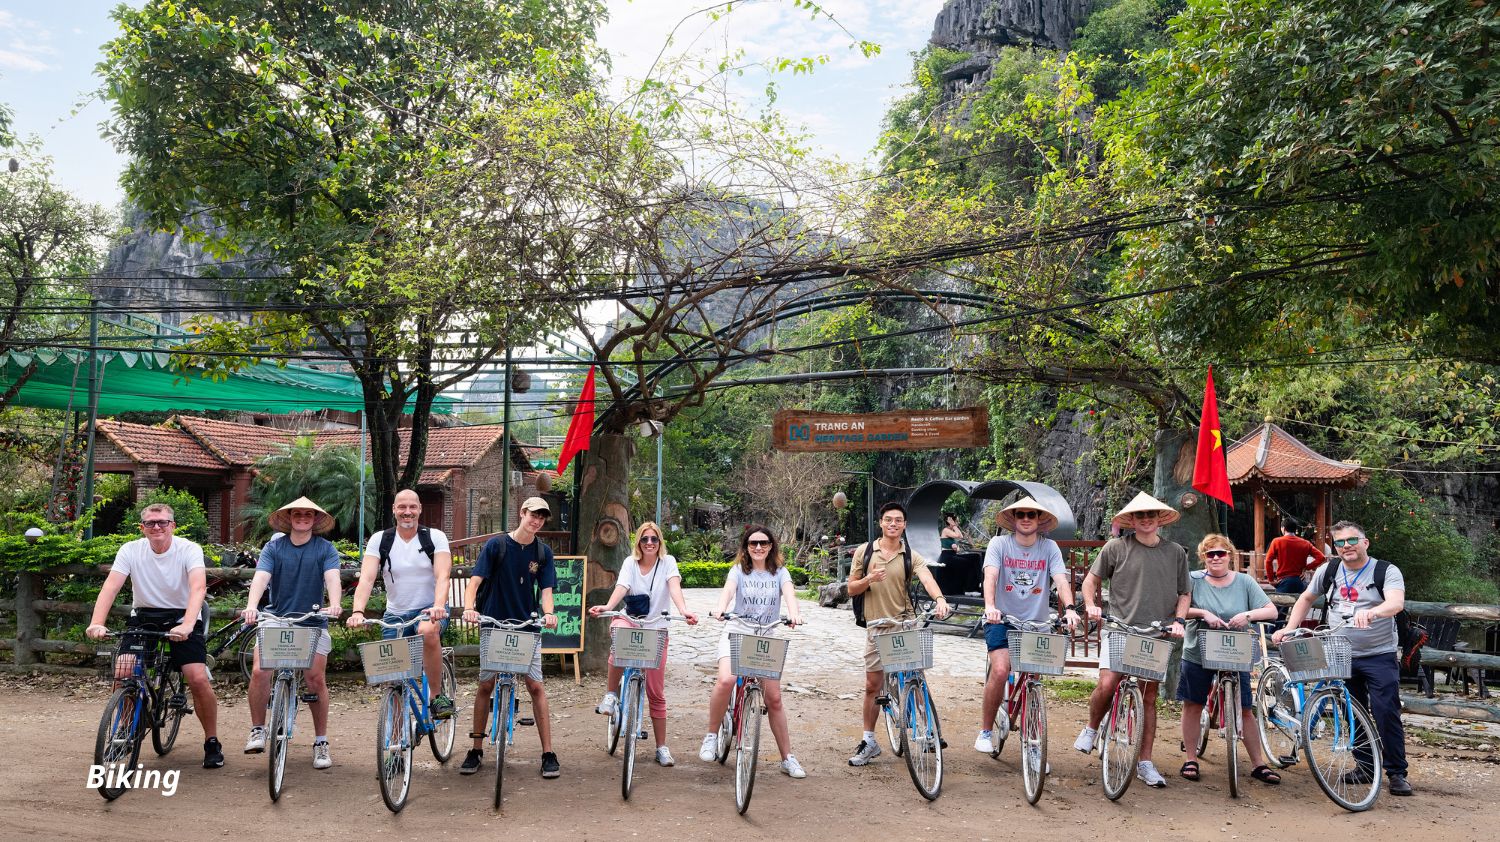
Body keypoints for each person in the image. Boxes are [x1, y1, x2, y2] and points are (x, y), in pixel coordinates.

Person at [1273, 520, 1412, 796]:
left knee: (1386, 711)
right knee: (1351, 710)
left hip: (1378, 653)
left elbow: (1396, 602)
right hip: (1340, 652)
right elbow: (1306, 598)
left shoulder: (1386, 571)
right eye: (1339, 542)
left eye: (1351, 540)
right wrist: (1289, 628)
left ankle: (1397, 772)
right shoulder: (1329, 570)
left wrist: (1373, 612)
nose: (1346, 546)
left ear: (1365, 542)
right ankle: (1365, 766)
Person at [86, 503, 223, 769]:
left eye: (162, 522)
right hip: (144, 616)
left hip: (182, 616)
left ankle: (211, 741)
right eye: (150, 523)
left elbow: (198, 588)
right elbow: (110, 587)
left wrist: (187, 624)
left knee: (196, 677)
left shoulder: (189, 549)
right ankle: (125, 729)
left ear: (173, 526)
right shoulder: (130, 550)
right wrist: (97, 622)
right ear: (142, 527)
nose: (157, 527)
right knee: (124, 669)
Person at [1074, 492, 1189, 789]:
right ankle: (1092, 727)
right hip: (1120, 627)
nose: (1146, 519)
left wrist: (1178, 620)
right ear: (1132, 520)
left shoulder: (1176, 552)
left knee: (1148, 697)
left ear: (1160, 518)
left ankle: (1145, 762)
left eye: (1151, 514)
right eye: (1140, 515)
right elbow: (1091, 580)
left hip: (1156, 632)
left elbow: (1185, 592)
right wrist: (1091, 605)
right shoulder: (1116, 547)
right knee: (1108, 683)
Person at [459, 496, 562, 779]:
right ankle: (476, 748)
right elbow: (475, 582)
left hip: (527, 624)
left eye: (541, 517)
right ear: (522, 513)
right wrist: (469, 608)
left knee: (536, 686)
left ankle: (548, 753)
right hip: (493, 622)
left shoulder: (542, 553)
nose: (536, 521)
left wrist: (549, 614)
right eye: (533, 515)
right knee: (485, 684)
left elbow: (546, 591)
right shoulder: (497, 545)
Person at [846, 501, 952, 767]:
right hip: (876, 625)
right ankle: (869, 740)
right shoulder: (864, 552)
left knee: (916, 676)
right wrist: (869, 579)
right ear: (881, 523)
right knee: (873, 685)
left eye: (898, 520)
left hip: (904, 624)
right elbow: (851, 589)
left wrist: (939, 599)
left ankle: (927, 729)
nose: (893, 524)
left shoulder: (910, 555)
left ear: (904, 525)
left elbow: (926, 578)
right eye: (888, 520)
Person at [242, 497, 343, 769]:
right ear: (289, 518)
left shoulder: (325, 549)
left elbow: (332, 577)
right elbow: (261, 577)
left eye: (308, 514)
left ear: (315, 519)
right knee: (260, 670)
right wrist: (252, 606)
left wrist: (334, 603)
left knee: (315, 679)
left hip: (312, 620)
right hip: (277, 618)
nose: (302, 518)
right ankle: (257, 729)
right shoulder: (274, 547)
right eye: (297, 514)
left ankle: (321, 741)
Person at [589, 520, 699, 767]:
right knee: (618, 635)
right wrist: (608, 606)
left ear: (660, 542)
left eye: (654, 539)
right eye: (645, 539)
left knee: (656, 692)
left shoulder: (668, 563)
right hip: (631, 620)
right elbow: (622, 587)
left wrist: (684, 611)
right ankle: (611, 695)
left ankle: (661, 747)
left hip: (656, 627)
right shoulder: (630, 563)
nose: (650, 543)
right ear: (638, 542)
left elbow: (674, 588)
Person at [700, 525, 806, 778]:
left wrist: (794, 614)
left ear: (771, 546)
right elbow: (728, 591)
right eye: (753, 543)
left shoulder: (780, 572)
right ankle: (711, 735)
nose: (758, 547)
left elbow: (790, 595)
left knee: (774, 698)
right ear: (746, 547)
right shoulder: (738, 570)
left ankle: (787, 758)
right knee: (726, 680)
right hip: (737, 631)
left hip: (765, 636)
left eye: (764, 543)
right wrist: (720, 608)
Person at [975, 497, 1079, 753]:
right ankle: (985, 731)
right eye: (1020, 514)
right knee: (1001, 670)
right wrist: (990, 606)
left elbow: (1060, 580)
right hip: (1002, 619)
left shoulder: (1049, 547)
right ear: (1013, 519)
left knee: (1034, 678)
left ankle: (1033, 742)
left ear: (1039, 519)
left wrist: (1070, 609)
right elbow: (991, 576)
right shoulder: (999, 544)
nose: (1025, 518)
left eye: (1031, 514)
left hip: (1036, 623)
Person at [1178, 534, 1280, 784]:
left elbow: (1271, 610)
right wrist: (1203, 613)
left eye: (1220, 553)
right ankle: (1191, 758)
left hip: (1235, 651)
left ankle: (1258, 763)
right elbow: (1178, 608)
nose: (1216, 558)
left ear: (1229, 556)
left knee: (1244, 708)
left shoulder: (1244, 581)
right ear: (1203, 557)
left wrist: (1248, 615)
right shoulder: (1193, 579)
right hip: (1198, 649)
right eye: (1210, 554)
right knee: (1193, 703)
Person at [347, 489, 453, 718]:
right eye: (402, 507)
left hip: (429, 609)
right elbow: (366, 579)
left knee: (427, 631)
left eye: (412, 507)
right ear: (394, 509)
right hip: (395, 614)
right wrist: (357, 611)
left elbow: (443, 576)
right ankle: (394, 736)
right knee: (394, 680)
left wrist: (438, 605)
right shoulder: (380, 539)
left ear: (420, 509)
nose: (407, 512)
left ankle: (437, 697)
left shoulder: (435, 537)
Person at [1265, 518, 1326, 595]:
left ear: (1283, 528)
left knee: (1280, 602)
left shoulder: (1277, 541)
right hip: (1300, 581)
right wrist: (1306, 568)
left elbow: (1268, 561)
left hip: (1284, 581)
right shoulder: (1305, 543)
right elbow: (1321, 557)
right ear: (1295, 529)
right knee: (1302, 602)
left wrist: (1271, 580)